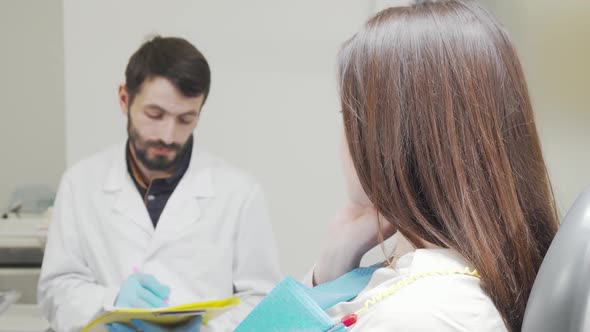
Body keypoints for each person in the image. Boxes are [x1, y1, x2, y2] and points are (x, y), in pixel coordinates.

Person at [241, 1, 558, 331]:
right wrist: (330, 268)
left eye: (348, 118)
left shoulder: (420, 312)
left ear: (392, 139)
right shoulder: (433, 287)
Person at [37, 36, 281, 332]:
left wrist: (205, 331)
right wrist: (112, 300)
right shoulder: (80, 183)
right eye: (155, 114)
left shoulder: (239, 192)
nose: (168, 135)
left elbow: (262, 299)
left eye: (185, 119)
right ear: (124, 99)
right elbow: (55, 292)